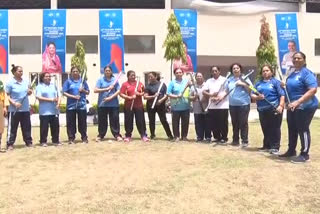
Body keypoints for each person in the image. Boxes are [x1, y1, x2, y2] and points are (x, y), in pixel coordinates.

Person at [279, 52, 318, 163]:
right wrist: (284, 87)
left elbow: (313, 90)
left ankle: (305, 154)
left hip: (305, 106)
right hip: (292, 106)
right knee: (292, 128)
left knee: (303, 129)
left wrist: (297, 102)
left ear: (304, 60)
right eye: (294, 58)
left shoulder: (307, 73)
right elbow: (291, 90)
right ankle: (291, 150)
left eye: (299, 58)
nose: (296, 59)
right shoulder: (292, 74)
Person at [251, 65, 285, 155]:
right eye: (263, 71)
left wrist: (281, 106)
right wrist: (258, 97)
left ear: (271, 72)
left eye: (267, 70)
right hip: (262, 109)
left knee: (275, 128)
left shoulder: (276, 82)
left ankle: (275, 147)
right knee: (265, 128)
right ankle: (267, 146)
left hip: (274, 108)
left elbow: (282, 95)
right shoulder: (258, 83)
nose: (265, 72)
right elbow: (252, 94)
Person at [5, 65, 33, 150]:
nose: (21, 72)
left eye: (22, 71)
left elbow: (30, 91)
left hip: (25, 109)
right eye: (19, 71)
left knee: (27, 127)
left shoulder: (26, 82)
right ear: (14, 72)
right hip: (14, 109)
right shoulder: (10, 83)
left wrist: (29, 92)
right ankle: (10, 143)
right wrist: (14, 103)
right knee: (12, 127)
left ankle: (28, 142)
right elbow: (7, 95)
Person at [226, 63, 252, 147]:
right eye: (234, 68)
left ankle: (244, 140)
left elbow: (251, 90)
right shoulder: (230, 80)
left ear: (240, 69)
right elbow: (226, 91)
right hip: (232, 104)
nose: (235, 69)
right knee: (235, 123)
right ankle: (235, 140)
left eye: (237, 68)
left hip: (243, 104)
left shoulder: (245, 78)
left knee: (243, 123)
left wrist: (243, 84)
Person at [120, 70, 149, 143]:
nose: (133, 77)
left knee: (140, 121)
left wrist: (139, 94)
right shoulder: (125, 84)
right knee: (128, 121)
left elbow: (145, 93)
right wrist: (129, 97)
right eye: (131, 75)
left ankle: (143, 135)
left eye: (134, 75)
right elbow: (121, 94)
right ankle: (128, 135)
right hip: (128, 106)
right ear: (128, 76)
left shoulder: (140, 84)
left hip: (139, 106)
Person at [94, 66, 122, 142]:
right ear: (104, 71)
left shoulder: (115, 80)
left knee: (115, 120)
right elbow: (95, 90)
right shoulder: (100, 80)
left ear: (111, 71)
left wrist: (111, 97)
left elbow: (119, 91)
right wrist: (106, 89)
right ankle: (101, 135)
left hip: (113, 104)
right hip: (102, 104)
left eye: (109, 70)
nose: (107, 72)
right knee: (102, 121)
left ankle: (117, 135)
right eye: (106, 70)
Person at [63, 66, 90, 144]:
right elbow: (64, 92)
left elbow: (88, 92)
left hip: (81, 105)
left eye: (76, 71)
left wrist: (83, 90)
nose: (75, 73)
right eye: (73, 71)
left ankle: (84, 137)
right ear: (71, 73)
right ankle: (71, 138)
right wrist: (74, 96)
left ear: (79, 72)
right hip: (71, 106)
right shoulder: (68, 82)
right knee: (71, 123)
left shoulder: (83, 82)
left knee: (82, 122)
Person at [203, 66, 229, 144]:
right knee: (214, 123)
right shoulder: (209, 81)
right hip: (212, 106)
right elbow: (204, 91)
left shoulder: (225, 79)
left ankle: (224, 137)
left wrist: (218, 98)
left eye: (216, 71)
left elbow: (227, 91)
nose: (214, 72)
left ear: (219, 71)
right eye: (213, 71)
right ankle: (217, 137)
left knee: (223, 122)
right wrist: (211, 95)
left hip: (223, 105)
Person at [144, 72, 173, 140]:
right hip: (151, 106)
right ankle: (152, 135)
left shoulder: (162, 85)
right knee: (151, 120)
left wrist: (161, 100)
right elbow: (145, 97)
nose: (150, 78)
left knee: (163, 120)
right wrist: (153, 96)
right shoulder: (148, 86)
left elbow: (166, 95)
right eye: (149, 77)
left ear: (156, 76)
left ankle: (169, 135)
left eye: (151, 77)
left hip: (161, 106)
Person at [36, 72, 62, 147]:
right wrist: (51, 100)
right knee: (44, 128)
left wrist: (58, 103)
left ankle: (55, 140)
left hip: (54, 110)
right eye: (46, 76)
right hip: (44, 111)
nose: (48, 77)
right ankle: (43, 141)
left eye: (49, 76)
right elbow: (39, 97)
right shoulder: (39, 86)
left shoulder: (53, 86)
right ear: (42, 78)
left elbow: (58, 96)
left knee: (55, 127)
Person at [167, 67, 191, 142]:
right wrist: (176, 96)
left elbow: (192, 89)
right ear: (174, 74)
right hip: (175, 107)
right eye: (177, 73)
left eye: (180, 72)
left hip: (186, 106)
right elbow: (168, 93)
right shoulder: (172, 83)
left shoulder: (186, 82)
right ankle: (176, 136)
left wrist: (191, 84)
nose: (178, 74)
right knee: (175, 122)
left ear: (182, 73)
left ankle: (184, 136)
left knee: (185, 122)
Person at [190, 72, 211, 142]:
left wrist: (203, 100)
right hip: (196, 107)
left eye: (200, 76)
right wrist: (194, 97)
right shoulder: (193, 87)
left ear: (203, 77)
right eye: (197, 76)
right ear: (195, 78)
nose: (199, 77)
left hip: (205, 106)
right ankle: (199, 136)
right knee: (198, 123)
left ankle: (208, 137)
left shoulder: (206, 85)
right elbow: (189, 97)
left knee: (207, 122)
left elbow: (208, 95)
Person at [0, 80, 8, 151]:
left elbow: (3, 95)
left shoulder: (0, 83)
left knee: (0, 127)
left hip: (0, 106)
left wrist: (4, 107)